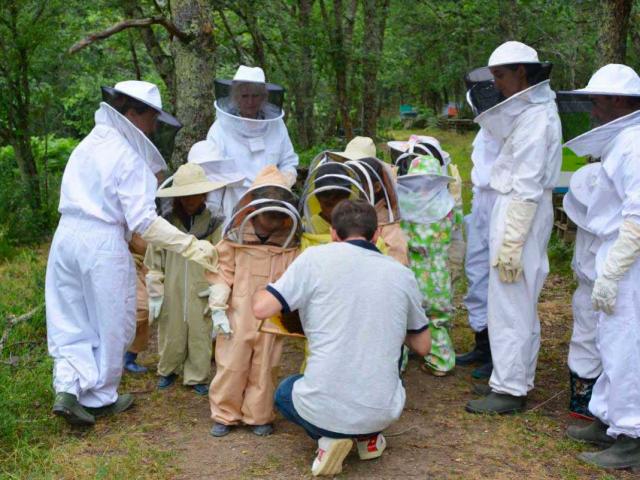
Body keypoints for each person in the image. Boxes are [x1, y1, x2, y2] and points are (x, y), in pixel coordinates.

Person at [46, 81, 219, 426]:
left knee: (70, 318)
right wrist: (190, 245)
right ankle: (100, 398)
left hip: (64, 238)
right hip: (102, 240)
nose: (155, 127)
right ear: (134, 114)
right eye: (152, 117)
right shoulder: (128, 156)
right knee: (114, 321)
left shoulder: (87, 145)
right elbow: (144, 221)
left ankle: (67, 388)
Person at [252, 199, 431, 477]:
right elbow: (423, 345)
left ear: (334, 233)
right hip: (382, 409)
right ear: (377, 235)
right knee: (385, 366)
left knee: (285, 393)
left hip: (322, 407)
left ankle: (328, 439)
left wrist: (262, 285)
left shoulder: (314, 259)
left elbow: (261, 308)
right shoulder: (402, 274)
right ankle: (368, 437)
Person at [464, 41, 562, 414]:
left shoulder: (538, 118)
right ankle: (513, 380)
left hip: (523, 210)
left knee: (512, 303)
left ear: (522, 72)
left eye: (501, 76)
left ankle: (509, 389)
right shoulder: (530, 113)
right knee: (512, 300)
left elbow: (527, 184)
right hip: (515, 208)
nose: (497, 84)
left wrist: (512, 241)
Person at [560, 64, 640, 469]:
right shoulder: (625, 140)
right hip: (617, 254)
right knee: (610, 340)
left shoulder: (635, 144)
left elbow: (638, 218)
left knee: (627, 346)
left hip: (630, 262)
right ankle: (608, 418)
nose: (592, 107)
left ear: (619, 100)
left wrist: (612, 272)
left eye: (597, 99)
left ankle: (631, 436)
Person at [205, 166, 301, 438]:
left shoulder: (289, 244)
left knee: (266, 365)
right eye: (267, 214)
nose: (271, 221)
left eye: (276, 214)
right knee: (231, 363)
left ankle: (258, 414)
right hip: (238, 313)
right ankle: (225, 413)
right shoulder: (235, 239)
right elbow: (221, 271)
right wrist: (218, 304)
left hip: (272, 318)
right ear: (253, 209)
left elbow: (295, 279)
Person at [144, 162, 228, 395]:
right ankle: (168, 370)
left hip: (201, 287)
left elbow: (221, 258)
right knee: (171, 330)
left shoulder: (214, 223)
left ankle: (197, 376)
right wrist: (155, 292)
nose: (191, 201)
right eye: (186, 196)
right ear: (178, 197)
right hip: (171, 287)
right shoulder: (166, 224)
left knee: (200, 333)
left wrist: (216, 289)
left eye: (195, 195)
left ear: (204, 194)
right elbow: (154, 261)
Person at [454, 75, 504, 379]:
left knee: (498, 277)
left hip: (503, 202)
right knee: (476, 271)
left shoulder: (515, 126)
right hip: (482, 202)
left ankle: (499, 353)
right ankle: (482, 343)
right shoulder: (485, 129)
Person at [207, 65, 298, 219]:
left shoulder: (277, 125)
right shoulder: (220, 128)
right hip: (234, 205)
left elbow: (288, 161)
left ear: (264, 97)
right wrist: (213, 210)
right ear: (235, 97)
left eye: (255, 96)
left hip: (271, 204)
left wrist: (282, 183)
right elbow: (213, 171)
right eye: (244, 96)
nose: (250, 101)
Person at [396, 154, 458, 376]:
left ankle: (397, 363)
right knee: (437, 319)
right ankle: (441, 361)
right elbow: (457, 231)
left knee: (402, 318)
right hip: (439, 274)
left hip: (410, 273)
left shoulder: (403, 208)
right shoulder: (449, 207)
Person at [562, 163, 602, 420]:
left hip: (610, 283)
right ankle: (584, 399)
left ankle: (593, 400)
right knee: (588, 337)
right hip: (590, 286)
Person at [123, 233, 151, 374]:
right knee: (141, 308)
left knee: (147, 310)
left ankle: (129, 358)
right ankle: (119, 355)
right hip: (128, 265)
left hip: (149, 266)